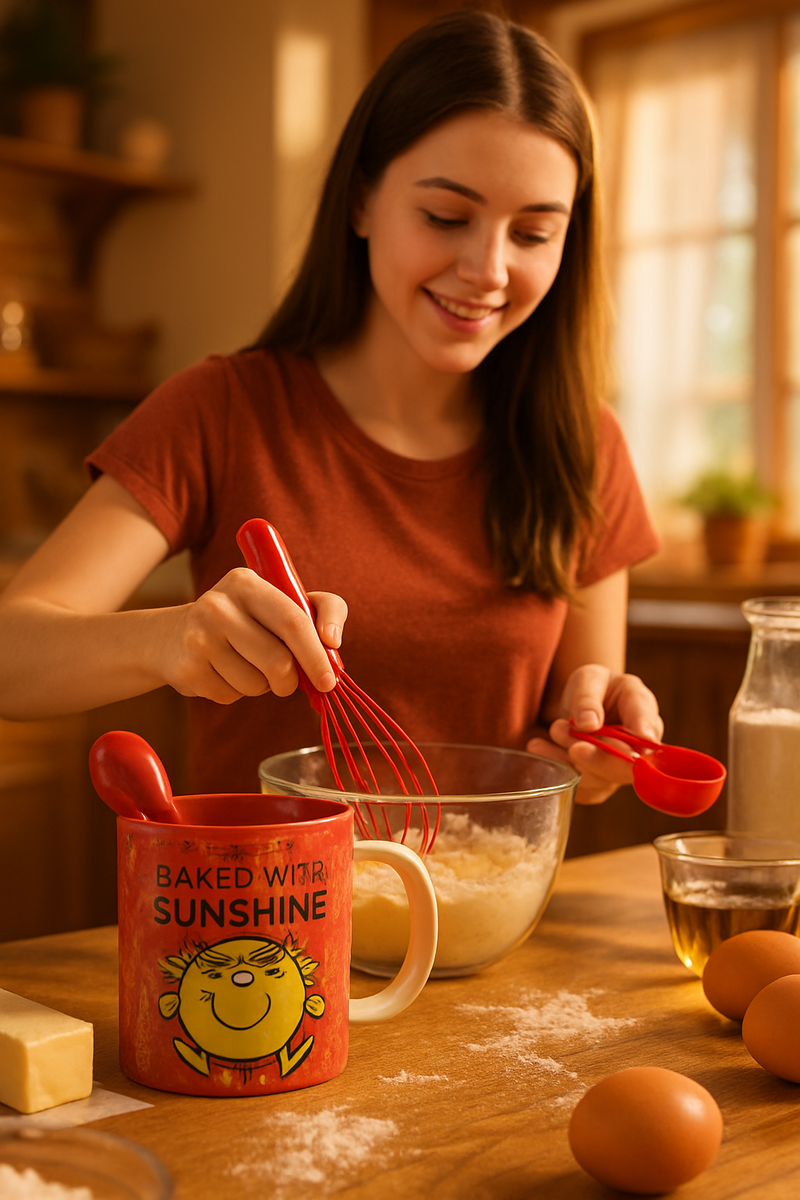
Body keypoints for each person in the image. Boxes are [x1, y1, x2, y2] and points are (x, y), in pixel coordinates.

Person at [0, 10, 662, 803]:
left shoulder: (584, 446)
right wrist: (169, 639)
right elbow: (12, 658)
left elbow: (574, 771)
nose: (488, 269)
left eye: (532, 234)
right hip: (263, 920)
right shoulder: (222, 410)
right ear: (360, 202)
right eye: (446, 217)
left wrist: (599, 744)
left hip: (486, 914)